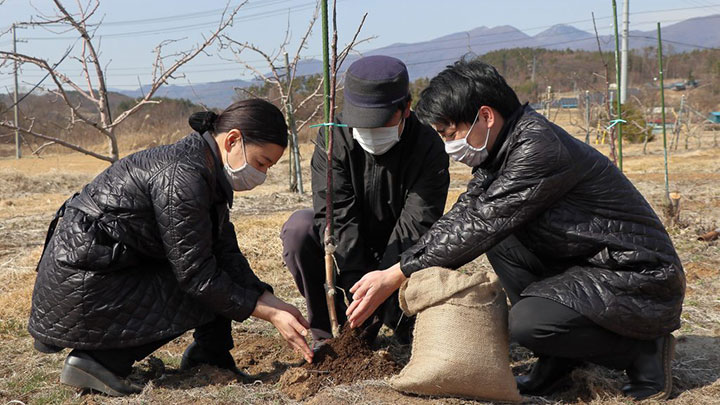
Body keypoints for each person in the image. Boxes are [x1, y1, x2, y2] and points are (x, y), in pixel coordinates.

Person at [345, 59, 685, 401]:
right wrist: (398, 268)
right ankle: (558, 361)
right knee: (503, 240)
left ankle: (643, 351)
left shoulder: (537, 149)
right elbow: (467, 213)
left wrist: (396, 274)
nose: (448, 145)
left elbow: (481, 223)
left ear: (486, 117)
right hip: (588, 262)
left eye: (450, 134)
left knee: (528, 325)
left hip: (638, 276)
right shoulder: (501, 149)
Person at [29, 99, 313, 397]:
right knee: (201, 283)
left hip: (102, 270)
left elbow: (223, 250)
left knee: (216, 275)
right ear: (233, 140)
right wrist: (265, 312)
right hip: (82, 284)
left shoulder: (205, 168)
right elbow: (196, 274)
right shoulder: (184, 176)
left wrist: (266, 297)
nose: (262, 175)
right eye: (261, 163)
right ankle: (97, 362)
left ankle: (211, 355)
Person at [281, 55, 450, 344]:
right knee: (300, 228)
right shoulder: (334, 139)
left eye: (380, 123)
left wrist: (382, 286)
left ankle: (400, 321)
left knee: (423, 326)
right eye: (362, 123)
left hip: (399, 257)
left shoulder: (428, 147)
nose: (370, 133)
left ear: (406, 108)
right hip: (350, 250)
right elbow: (336, 215)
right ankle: (329, 333)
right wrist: (356, 286)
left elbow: (417, 225)